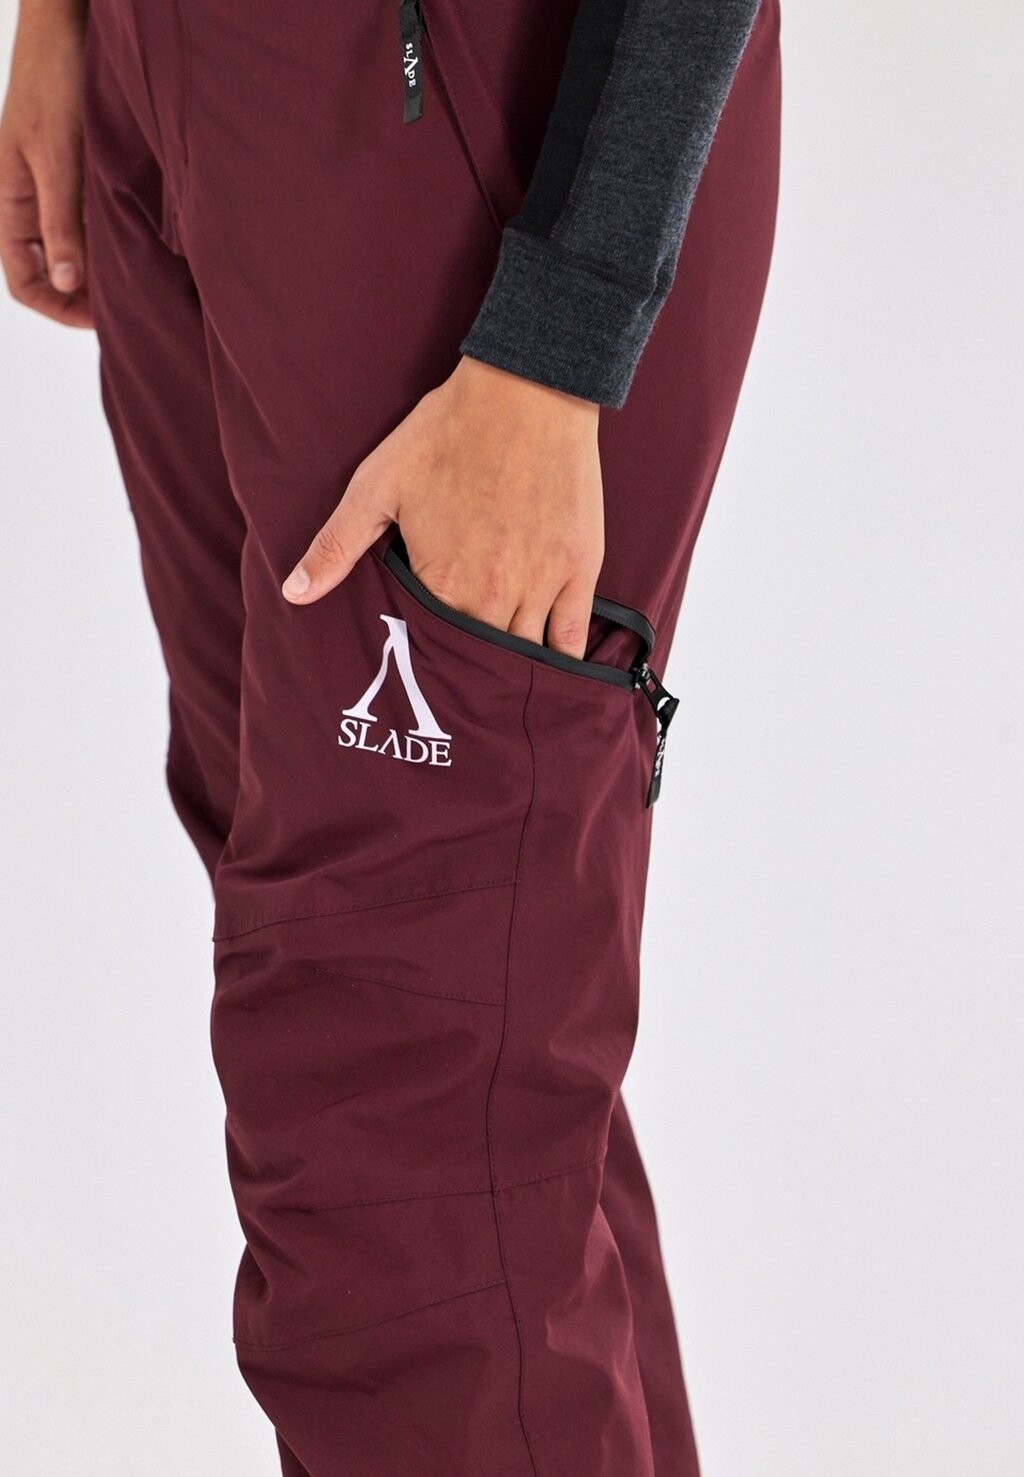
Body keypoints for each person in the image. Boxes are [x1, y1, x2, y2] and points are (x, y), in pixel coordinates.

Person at [1, 0, 781, 1471]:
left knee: (404, 1130)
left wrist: (561, 329)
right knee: (444, 1060)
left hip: (459, 121)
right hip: (177, 80)